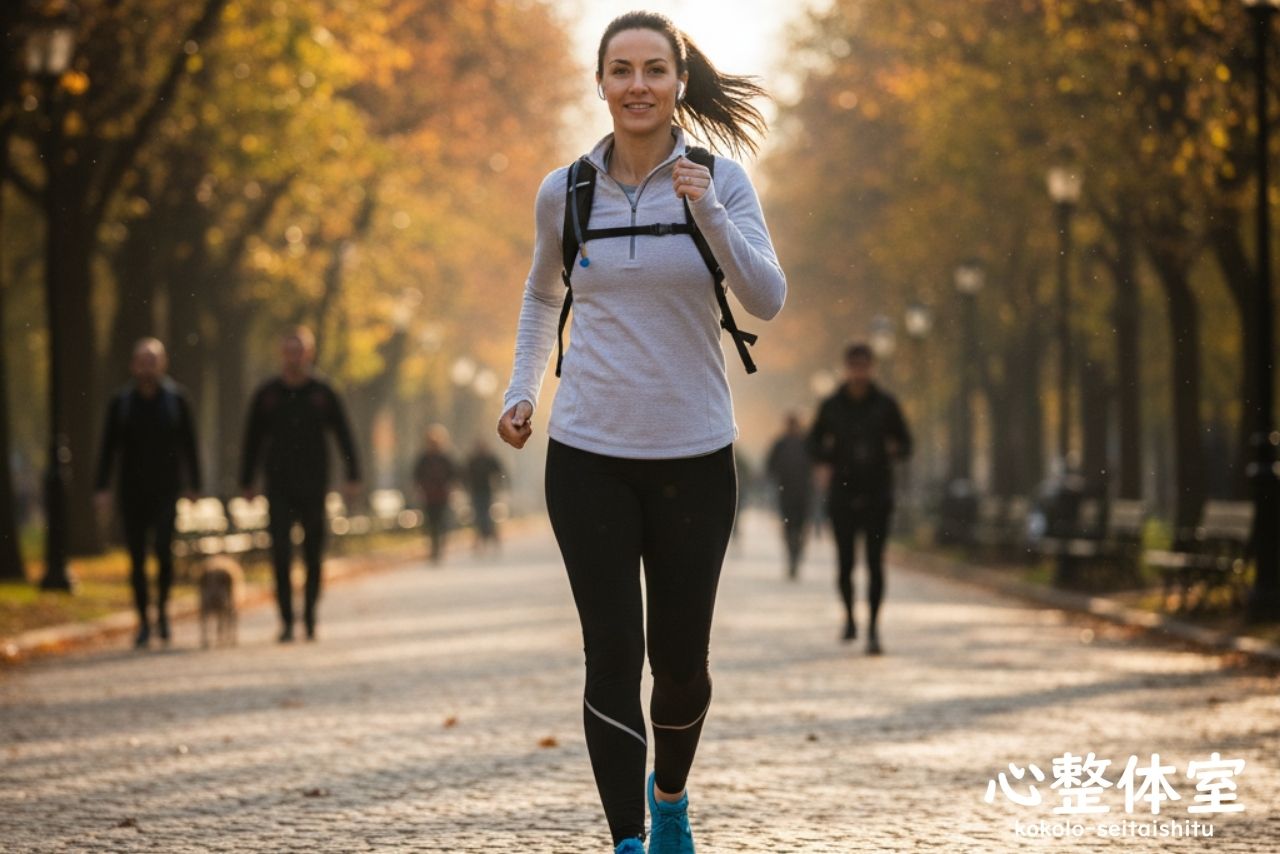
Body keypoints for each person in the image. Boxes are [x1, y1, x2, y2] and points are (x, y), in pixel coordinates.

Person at [497, 12, 785, 853]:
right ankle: (628, 839)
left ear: (679, 82)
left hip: (694, 454)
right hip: (587, 454)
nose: (637, 85)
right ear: (600, 84)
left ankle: (670, 799)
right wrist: (522, 390)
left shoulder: (721, 181)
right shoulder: (567, 191)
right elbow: (542, 295)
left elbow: (767, 298)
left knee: (682, 662)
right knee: (612, 654)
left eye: (654, 69)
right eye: (620, 70)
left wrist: (712, 218)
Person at [240, 326, 360, 642]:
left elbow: (344, 435)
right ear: (282, 354)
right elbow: (251, 439)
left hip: (314, 485)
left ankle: (309, 615)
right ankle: (285, 620)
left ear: (309, 353)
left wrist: (353, 476)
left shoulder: (323, 392)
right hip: (277, 486)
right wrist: (247, 481)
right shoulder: (267, 394)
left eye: (300, 350)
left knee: (312, 554)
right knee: (280, 553)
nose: (294, 356)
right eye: (289, 350)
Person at [94, 338, 202, 649]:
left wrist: (194, 485)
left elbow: (190, 446)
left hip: (168, 491)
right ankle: (143, 621)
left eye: (152, 360)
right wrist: (102, 487)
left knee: (165, 554)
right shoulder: (122, 403)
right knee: (137, 559)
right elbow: (107, 448)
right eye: (142, 361)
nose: (147, 366)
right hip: (131, 492)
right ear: (133, 365)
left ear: (162, 363)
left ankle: (164, 613)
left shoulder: (177, 400)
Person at [807, 343, 912, 655]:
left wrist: (895, 450)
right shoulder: (831, 406)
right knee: (845, 564)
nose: (859, 372)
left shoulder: (885, 405)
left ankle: (874, 629)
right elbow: (812, 443)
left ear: (871, 367)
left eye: (864, 366)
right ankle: (851, 617)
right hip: (842, 494)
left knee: (876, 563)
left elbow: (907, 443)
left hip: (878, 493)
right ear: (846, 367)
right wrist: (827, 456)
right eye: (854, 366)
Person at [766, 412, 814, 580]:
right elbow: (770, 466)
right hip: (786, 492)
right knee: (789, 527)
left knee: (799, 526)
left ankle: (796, 555)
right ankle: (792, 555)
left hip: (803, 492)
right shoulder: (781, 444)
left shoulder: (807, 443)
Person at [412, 425, 459, 563]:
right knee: (431, 522)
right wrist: (418, 488)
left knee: (441, 522)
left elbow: (454, 474)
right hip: (428, 495)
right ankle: (434, 547)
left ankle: (439, 546)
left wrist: (452, 488)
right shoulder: (423, 458)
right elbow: (416, 474)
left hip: (442, 495)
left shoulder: (445, 457)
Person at [464, 438, 506, 553]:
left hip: (487, 491)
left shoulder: (490, 459)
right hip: (475, 492)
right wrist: (466, 487)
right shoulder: (473, 460)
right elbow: (465, 474)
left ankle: (492, 540)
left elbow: (500, 472)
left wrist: (500, 484)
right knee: (478, 517)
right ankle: (480, 542)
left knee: (487, 517)